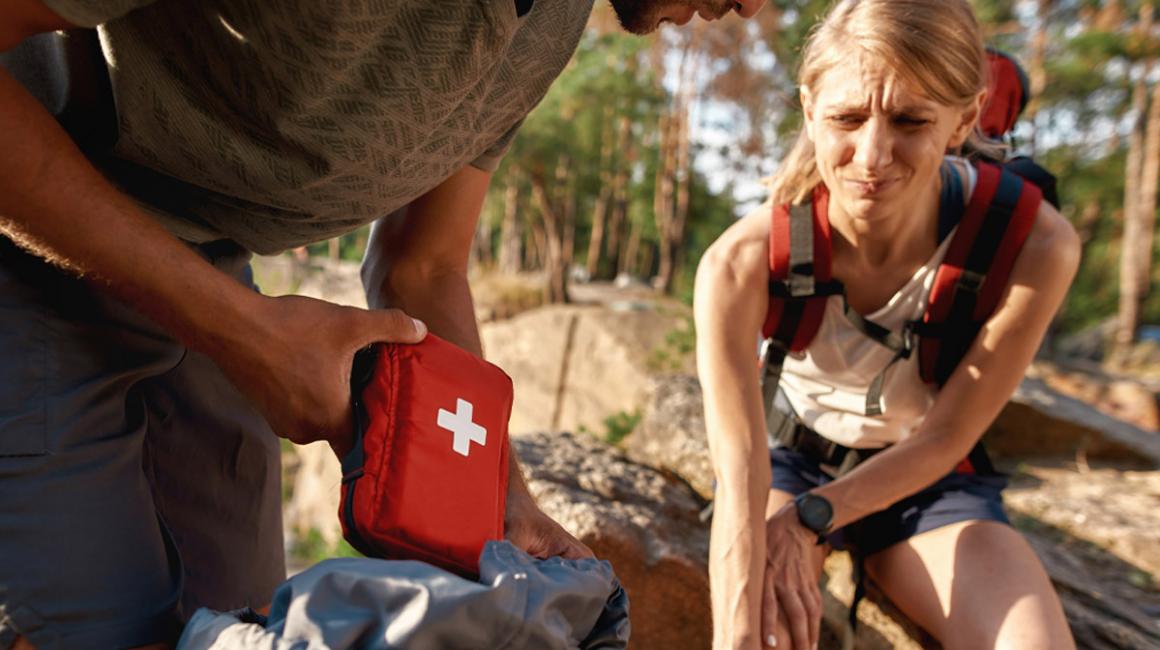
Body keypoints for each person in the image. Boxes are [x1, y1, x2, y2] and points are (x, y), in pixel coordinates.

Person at [0, 0, 766, 647]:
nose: (753, 8)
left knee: (247, 622)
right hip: (36, 233)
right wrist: (246, 334)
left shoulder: (549, 26)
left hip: (213, 272)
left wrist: (496, 493)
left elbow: (423, 266)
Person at [693, 1, 1079, 649]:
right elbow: (740, 470)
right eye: (846, 118)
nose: (872, 156)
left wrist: (813, 520)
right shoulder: (740, 263)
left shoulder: (1033, 243)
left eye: (910, 121)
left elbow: (947, 436)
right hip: (789, 462)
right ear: (809, 107)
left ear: (964, 119)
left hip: (929, 477)